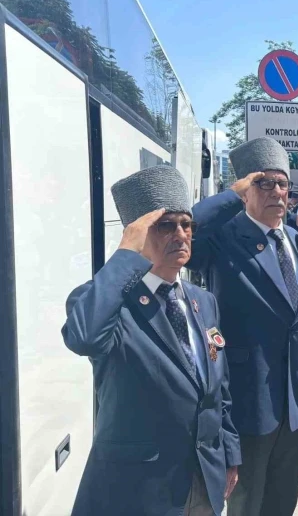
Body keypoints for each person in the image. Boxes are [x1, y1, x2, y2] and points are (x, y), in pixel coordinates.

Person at [62, 166, 241, 516]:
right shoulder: (112, 303)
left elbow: (219, 389)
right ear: (138, 234)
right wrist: (127, 255)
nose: (180, 234)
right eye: (165, 225)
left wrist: (230, 454)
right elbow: (83, 337)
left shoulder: (202, 301)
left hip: (203, 479)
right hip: (138, 491)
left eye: (186, 224)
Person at [188, 137, 298, 516]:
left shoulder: (294, 240)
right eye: (264, 183)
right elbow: (191, 227)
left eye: (283, 183)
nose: (277, 191)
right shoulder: (225, 238)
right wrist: (232, 194)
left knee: (283, 497)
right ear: (246, 190)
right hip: (248, 401)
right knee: (248, 502)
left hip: (293, 398)